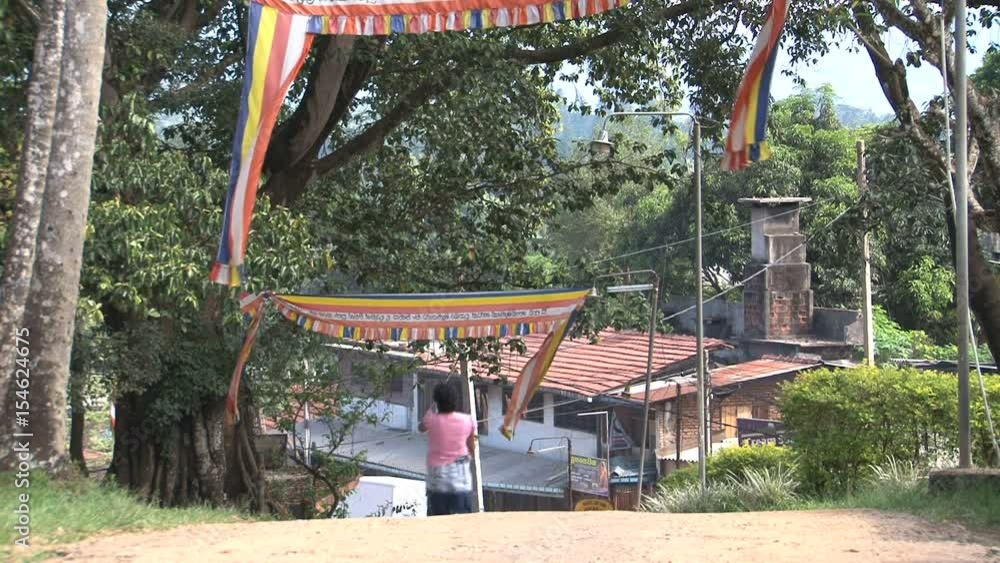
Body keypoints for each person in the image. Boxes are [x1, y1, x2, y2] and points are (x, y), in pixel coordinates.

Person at [418, 383, 476, 516]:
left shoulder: (431, 419)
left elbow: (421, 428)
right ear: (455, 401)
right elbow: (471, 447)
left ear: (437, 402)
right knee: (462, 520)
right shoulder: (468, 420)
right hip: (461, 478)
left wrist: (431, 409)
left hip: (437, 480)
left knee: (438, 520)